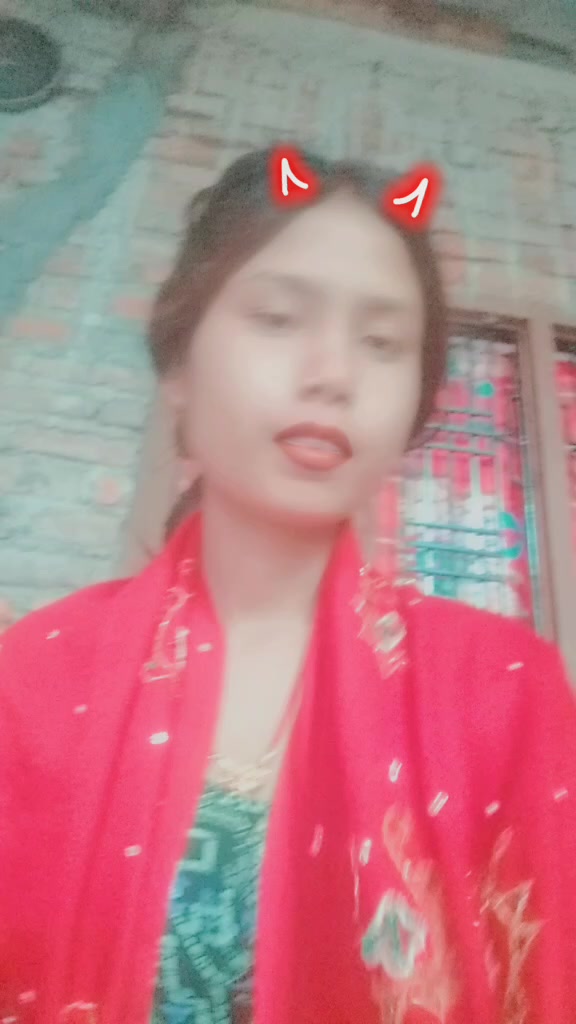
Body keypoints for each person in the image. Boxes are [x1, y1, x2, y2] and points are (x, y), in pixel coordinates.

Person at [0, 145, 575, 1024]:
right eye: (277, 318)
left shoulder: (504, 693)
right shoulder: (33, 678)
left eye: (382, 343)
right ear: (179, 368)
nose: (333, 374)